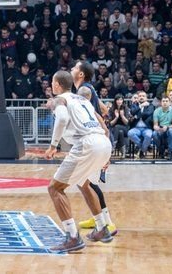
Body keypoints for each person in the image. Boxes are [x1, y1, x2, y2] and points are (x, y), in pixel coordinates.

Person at [44, 70, 113, 253]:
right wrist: (105, 150)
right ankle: (102, 228)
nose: (51, 85)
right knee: (84, 184)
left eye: (52, 82)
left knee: (55, 188)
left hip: (87, 144)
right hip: (102, 141)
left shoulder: (60, 100)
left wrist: (53, 146)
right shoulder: (82, 99)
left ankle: (72, 236)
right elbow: (102, 122)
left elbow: (62, 119)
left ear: (57, 84)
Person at [70, 61, 117, 236]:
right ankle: (96, 216)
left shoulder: (84, 90)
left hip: (95, 141)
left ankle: (107, 222)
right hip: (98, 139)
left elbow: (97, 114)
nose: (72, 69)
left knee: (88, 183)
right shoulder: (88, 89)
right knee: (86, 181)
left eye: (75, 68)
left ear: (81, 74)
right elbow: (103, 109)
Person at [127, 91, 155, 159]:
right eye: (140, 96)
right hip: (136, 128)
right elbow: (132, 112)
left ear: (146, 98)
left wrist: (137, 116)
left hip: (147, 128)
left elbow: (148, 114)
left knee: (148, 135)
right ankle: (144, 147)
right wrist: (140, 106)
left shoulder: (150, 105)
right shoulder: (134, 105)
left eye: (143, 96)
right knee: (130, 133)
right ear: (138, 98)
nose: (141, 97)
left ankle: (141, 150)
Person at [152, 95, 172, 161]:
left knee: (171, 131)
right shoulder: (156, 111)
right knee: (154, 134)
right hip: (160, 127)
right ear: (161, 102)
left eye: (166, 101)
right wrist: (157, 128)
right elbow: (155, 125)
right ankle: (161, 150)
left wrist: (167, 127)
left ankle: (170, 152)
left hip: (169, 127)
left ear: (169, 103)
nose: (165, 103)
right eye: (163, 101)